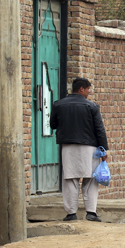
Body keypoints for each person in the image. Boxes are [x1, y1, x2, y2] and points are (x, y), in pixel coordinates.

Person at [50, 77, 108, 222]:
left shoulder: (58, 104)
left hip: (68, 147)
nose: (89, 92)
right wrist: (104, 149)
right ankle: (91, 212)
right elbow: (99, 129)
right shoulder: (92, 106)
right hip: (90, 148)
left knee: (70, 179)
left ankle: (71, 213)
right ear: (81, 89)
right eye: (88, 89)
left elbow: (53, 124)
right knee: (91, 179)